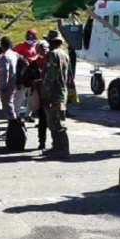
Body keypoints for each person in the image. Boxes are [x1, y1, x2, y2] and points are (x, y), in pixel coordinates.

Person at [40, 30, 71, 159]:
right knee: (54, 121)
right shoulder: (65, 54)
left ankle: (62, 149)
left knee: (57, 123)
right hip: (62, 91)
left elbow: (50, 77)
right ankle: (56, 147)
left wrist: (45, 93)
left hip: (54, 93)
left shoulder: (54, 55)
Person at [23, 40, 50, 149]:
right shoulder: (33, 64)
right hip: (40, 96)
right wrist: (33, 82)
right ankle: (42, 142)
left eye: (46, 48)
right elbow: (25, 78)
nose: (45, 50)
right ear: (37, 50)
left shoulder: (51, 62)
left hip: (51, 95)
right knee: (43, 119)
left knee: (52, 120)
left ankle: (55, 144)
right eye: (42, 48)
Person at [13, 29, 38, 122]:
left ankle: (28, 114)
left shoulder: (37, 46)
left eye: (31, 35)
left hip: (32, 76)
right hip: (22, 76)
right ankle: (17, 114)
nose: (29, 37)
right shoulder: (20, 46)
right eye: (28, 35)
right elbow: (12, 54)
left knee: (31, 96)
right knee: (19, 96)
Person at [0, 37, 19, 123]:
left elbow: (5, 72)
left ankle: (14, 128)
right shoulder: (15, 54)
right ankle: (12, 127)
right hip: (14, 82)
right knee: (11, 105)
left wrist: (3, 86)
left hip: (7, 85)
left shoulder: (5, 56)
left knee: (8, 108)